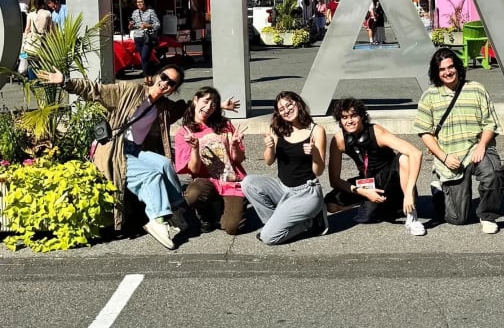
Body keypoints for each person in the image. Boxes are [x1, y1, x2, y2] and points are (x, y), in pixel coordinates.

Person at [35, 63, 200, 250]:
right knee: (150, 176)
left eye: (171, 83)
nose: (165, 83)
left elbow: (186, 110)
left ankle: (176, 211)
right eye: (164, 77)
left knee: (163, 164)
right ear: (156, 75)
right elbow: (96, 90)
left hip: (135, 150)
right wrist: (66, 82)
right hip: (114, 149)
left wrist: (216, 106)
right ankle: (157, 219)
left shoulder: (163, 107)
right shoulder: (129, 90)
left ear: (173, 89)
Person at [414, 47, 504, 233]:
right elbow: (424, 132)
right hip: (450, 157)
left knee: (494, 172)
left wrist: (482, 146)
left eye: (451, 67)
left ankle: (487, 215)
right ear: (436, 72)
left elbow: (490, 124)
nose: (448, 72)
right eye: (442, 69)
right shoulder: (429, 96)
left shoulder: (476, 89)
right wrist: (444, 157)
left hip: (477, 149)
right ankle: (439, 189)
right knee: (458, 219)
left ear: (457, 67)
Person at [327, 97, 425, 236]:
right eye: (344, 117)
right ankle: (372, 205)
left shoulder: (377, 132)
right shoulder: (339, 140)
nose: (349, 121)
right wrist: (363, 192)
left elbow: (416, 153)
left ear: (362, 116)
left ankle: (412, 217)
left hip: (390, 181)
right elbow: (334, 180)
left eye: (354, 116)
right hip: (367, 182)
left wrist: (409, 192)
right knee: (331, 204)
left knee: (404, 157)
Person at [241, 90, 328, 245]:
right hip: (282, 188)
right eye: (282, 109)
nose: (286, 110)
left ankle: (310, 222)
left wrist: (314, 153)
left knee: (268, 238)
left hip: (306, 192)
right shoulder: (278, 129)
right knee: (248, 182)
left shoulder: (316, 130)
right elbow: (269, 162)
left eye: (289, 105)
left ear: (298, 103)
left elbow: (318, 171)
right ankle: (277, 223)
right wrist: (269, 147)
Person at [174, 86, 248, 235]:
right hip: (205, 180)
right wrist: (194, 148)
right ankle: (206, 213)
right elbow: (193, 170)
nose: (209, 107)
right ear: (196, 100)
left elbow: (238, 159)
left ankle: (227, 204)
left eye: (213, 104)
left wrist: (234, 146)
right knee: (192, 195)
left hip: (231, 180)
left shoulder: (225, 125)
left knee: (232, 227)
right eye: (206, 101)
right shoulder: (184, 133)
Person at [129, 0, 161, 77]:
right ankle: (149, 75)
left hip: (147, 38)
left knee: (144, 57)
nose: (139, 4)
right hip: (137, 37)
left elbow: (157, 25)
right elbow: (131, 26)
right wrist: (130, 26)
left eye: (141, 2)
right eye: (137, 2)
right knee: (144, 59)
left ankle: (146, 77)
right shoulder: (135, 12)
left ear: (145, 2)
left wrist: (147, 26)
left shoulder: (150, 12)